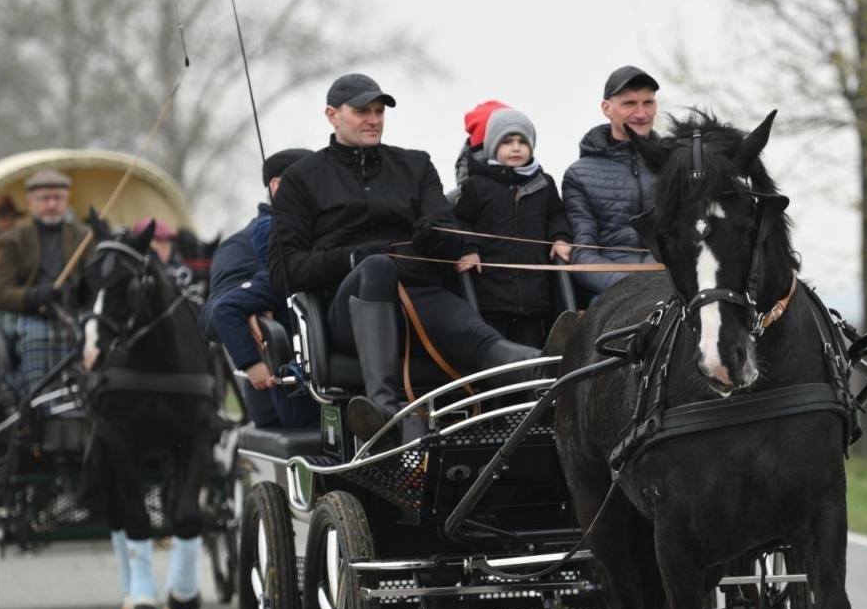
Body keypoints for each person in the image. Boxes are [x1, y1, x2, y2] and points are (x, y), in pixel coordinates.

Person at [267, 72, 546, 444]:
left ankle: (541, 370)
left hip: (418, 293)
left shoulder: (414, 166)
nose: (374, 119)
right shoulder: (302, 179)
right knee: (376, 267)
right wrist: (354, 257)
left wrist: (436, 235)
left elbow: (449, 233)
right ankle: (382, 409)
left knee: (477, 336)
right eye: (363, 111)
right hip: (348, 310)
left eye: (379, 111)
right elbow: (286, 271)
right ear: (332, 115)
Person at [200, 147, 319, 429]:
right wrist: (251, 312)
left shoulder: (326, 233)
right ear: (277, 186)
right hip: (284, 397)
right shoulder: (240, 246)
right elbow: (212, 314)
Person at [454, 109, 573, 348]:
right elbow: (460, 221)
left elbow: (556, 215)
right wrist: (470, 248)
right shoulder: (477, 186)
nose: (516, 148)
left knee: (531, 352)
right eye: (507, 142)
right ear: (492, 146)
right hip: (491, 293)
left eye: (522, 142)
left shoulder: (544, 183)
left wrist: (560, 238)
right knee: (495, 350)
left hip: (534, 294)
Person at [561, 65, 661, 298]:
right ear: (606, 108)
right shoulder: (579, 175)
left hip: (674, 283)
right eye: (629, 104)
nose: (641, 113)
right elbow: (582, 253)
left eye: (648, 103)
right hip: (613, 293)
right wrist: (630, 286)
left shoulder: (676, 165)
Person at [0, 167, 88, 398]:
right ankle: (34, 402)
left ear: (67, 200)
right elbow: (2, 293)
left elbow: (92, 282)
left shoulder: (85, 236)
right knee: (37, 337)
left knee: (87, 339)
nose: (52, 204)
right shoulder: (12, 240)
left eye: (58, 198)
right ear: (30, 203)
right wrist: (35, 296)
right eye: (45, 199)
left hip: (72, 312)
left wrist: (77, 293)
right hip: (30, 314)